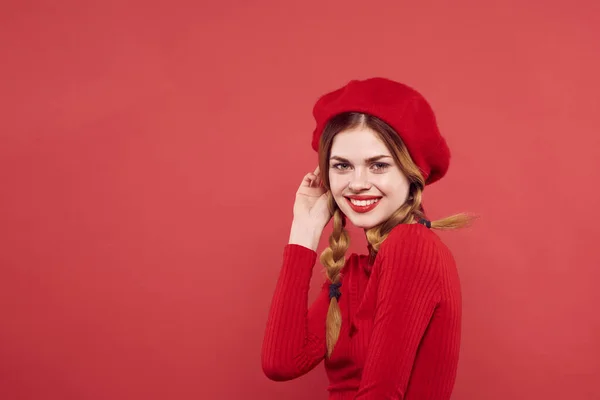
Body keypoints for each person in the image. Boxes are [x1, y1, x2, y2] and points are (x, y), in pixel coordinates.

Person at [261, 77, 473, 400]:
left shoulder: (412, 247)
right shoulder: (354, 275)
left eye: (378, 165)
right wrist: (303, 231)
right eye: (343, 165)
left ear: (410, 171)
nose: (357, 183)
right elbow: (281, 362)